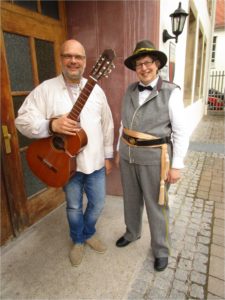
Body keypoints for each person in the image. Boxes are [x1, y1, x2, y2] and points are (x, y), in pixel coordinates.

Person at [15, 39, 114, 267]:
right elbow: (22, 120)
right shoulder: (45, 90)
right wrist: (51, 125)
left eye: (78, 57)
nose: (73, 61)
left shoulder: (96, 90)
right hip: (64, 165)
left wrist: (108, 156)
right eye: (68, 56)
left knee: (98, 204)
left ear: (85, 62)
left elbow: (107, 124)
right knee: (73, 206)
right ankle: (78, 239)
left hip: (95, 162)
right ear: (60, 59)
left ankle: (88, 232)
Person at [115, 40, 189, 271]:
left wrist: (176, 166)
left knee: (157, 205)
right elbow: (123, 124)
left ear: (157, 64)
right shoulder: (129, 90)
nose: (143, 68)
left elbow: (180, 131)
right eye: (139, 64)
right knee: (131, 198)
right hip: (128, 156)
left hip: (156, 158)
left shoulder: (171, 92)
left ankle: (161, 249)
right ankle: (132, 232)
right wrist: (119, 151)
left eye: (147, 63)